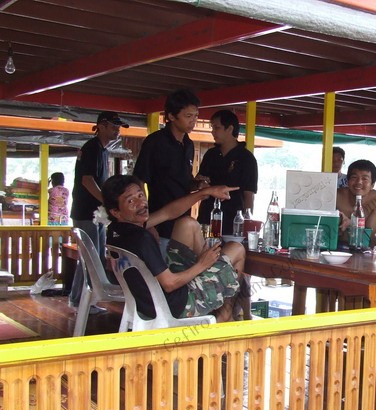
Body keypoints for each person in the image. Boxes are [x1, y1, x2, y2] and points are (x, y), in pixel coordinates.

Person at [103, 174, 246, 323]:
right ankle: (225, 315)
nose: (141, 203)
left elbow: (167, 213)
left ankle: (211, 291)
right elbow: (169, 284)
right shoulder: (142, 238)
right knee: (236, 249)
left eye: (140, 195)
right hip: (177, 304)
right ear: (115, 211)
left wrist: (205, 192)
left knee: (186, 223)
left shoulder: (116, 230)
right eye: (131, 201)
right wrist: (202, 264)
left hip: (148, 303)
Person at [69, 111, 129, 309]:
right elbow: (87, 181)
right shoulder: (92, 148)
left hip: (96, 214)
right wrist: (108, 201)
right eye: (113, 126)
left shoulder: (102, 150)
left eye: (118, 127)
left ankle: (81, 300)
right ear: (101, 126)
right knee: (90, 259)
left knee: (93, 258)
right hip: (87, 213)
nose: (117, 130)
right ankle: (81, 301)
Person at [133, 88, 204, 251]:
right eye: (188, 116)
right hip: (160, 223)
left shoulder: (189, 144)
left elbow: (185, 181)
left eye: (195, 116)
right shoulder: (155, 142)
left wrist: (198, 185)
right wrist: (147, 222)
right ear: (171, 116)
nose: (193, 121)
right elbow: (138, 181)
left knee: (185, 263)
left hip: (183, 221)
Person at [196, 109, 258, 233]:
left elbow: (249, 195)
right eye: (212, 128)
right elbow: (198, 180)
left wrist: (246, 226)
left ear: (230, 129)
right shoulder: (211, 154)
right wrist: (200, 183)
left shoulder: (246, 158)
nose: (213, 131)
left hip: (233, 222)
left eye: (216, 127)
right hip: (206, 219)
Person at [336, 159, 376, 248]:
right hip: (337, 247)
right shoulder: (336, 195)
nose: (359, 182)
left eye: (365, 179)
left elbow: (367, 235)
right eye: (354, 177)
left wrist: (351, 224)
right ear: (347, 181)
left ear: (372, 185)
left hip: (365, 248)